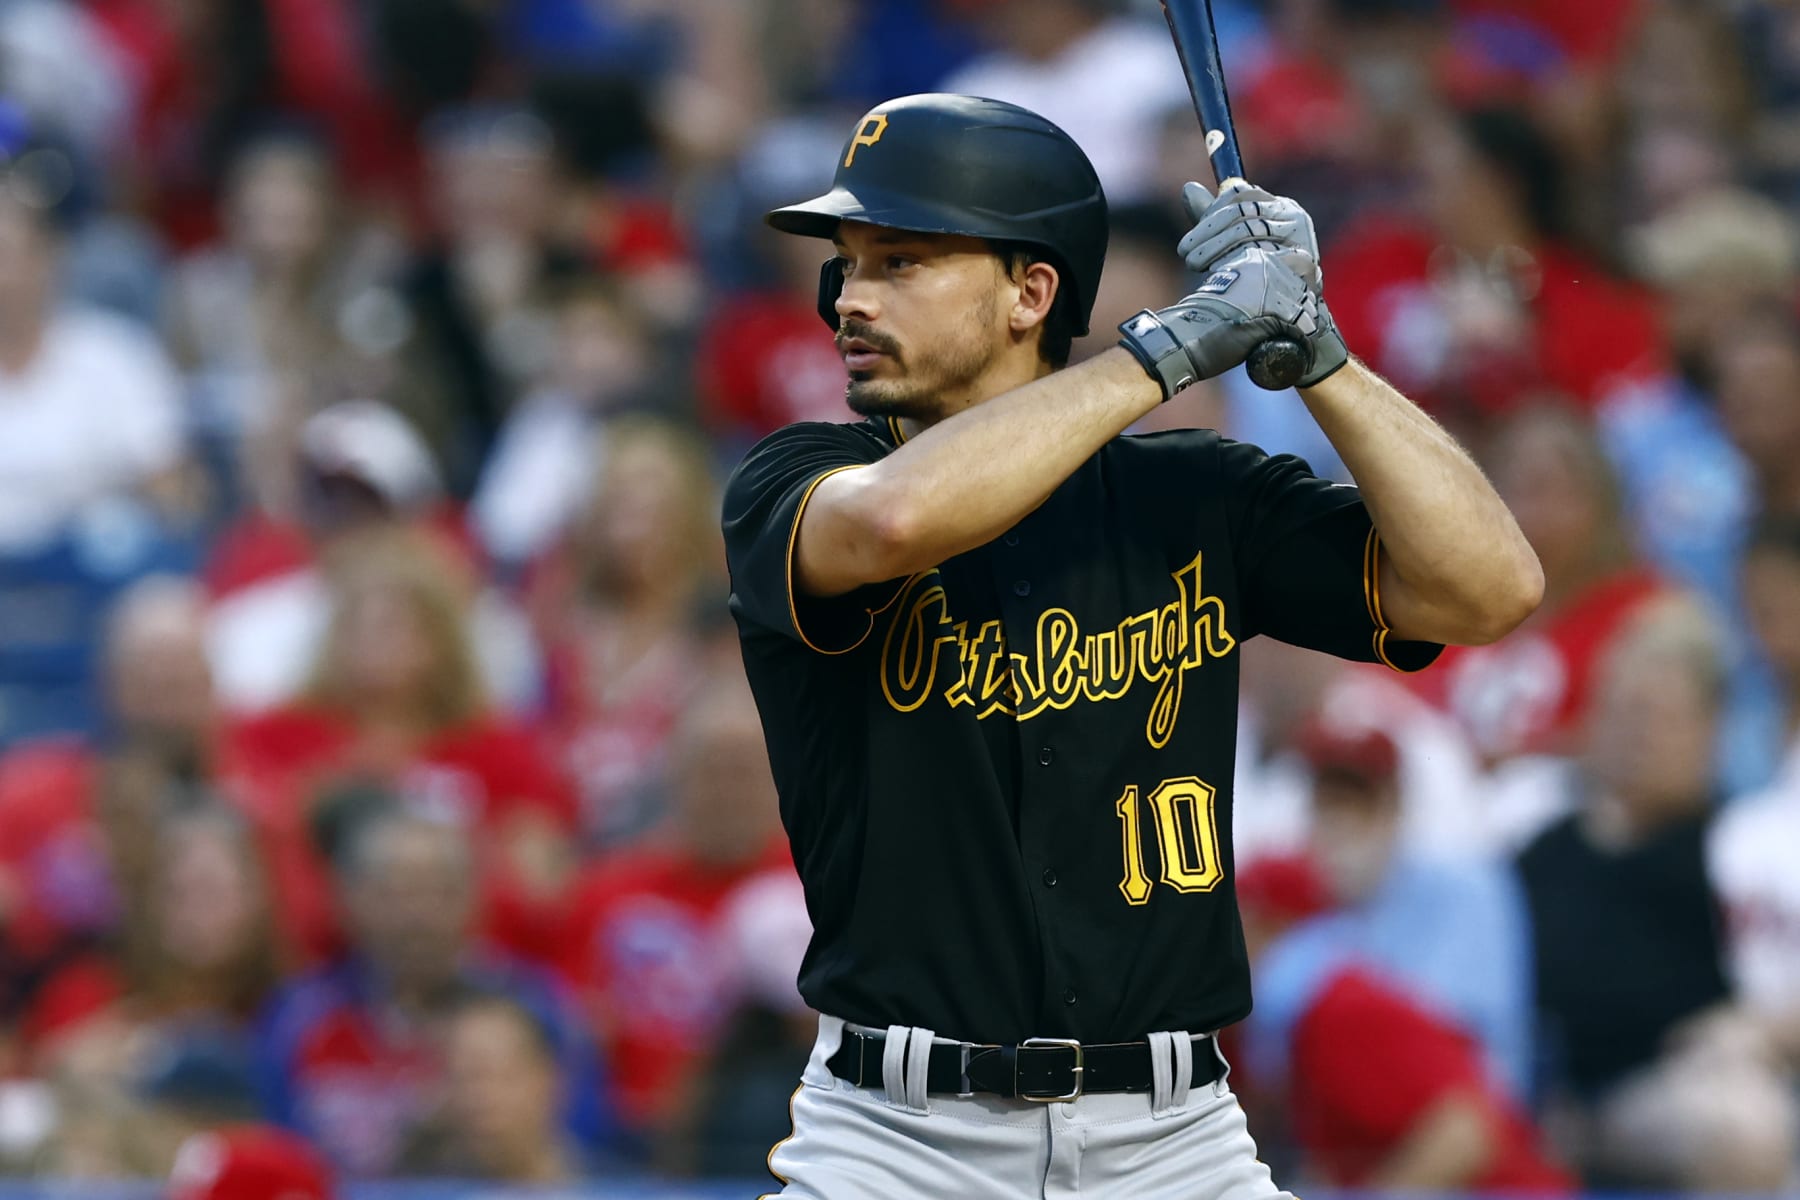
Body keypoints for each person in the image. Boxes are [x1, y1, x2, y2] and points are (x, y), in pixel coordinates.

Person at [722, 93, 1541, 1198]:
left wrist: (1323, 356)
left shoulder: (1195, 496)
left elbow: (1490, 589)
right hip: (897, 1142)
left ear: (1032, 290)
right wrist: (1171, 346)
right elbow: (895, 522)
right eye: (850, 264)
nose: (849, 300)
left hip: (1175, 1141)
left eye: (901, 261)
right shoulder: (800, 475)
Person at [1515, 598, 1795, 1190]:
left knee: (1743, 1126)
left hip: (1676, 1082)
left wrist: (1754, 1028)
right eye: (1626, 710)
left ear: (1711, 728)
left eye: (1664, 716)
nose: (1640, 734)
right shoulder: (1541, 847)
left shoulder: (1741, 845)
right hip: (1542, 1088)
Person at [254, 804, 610, 1177]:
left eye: (437, 890)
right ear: (348, 899)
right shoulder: (300, 1019)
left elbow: (580, 1151)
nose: (416, 915)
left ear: (474, 898)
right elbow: (276, 1150)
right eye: (392, 892)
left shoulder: (535, 1009)